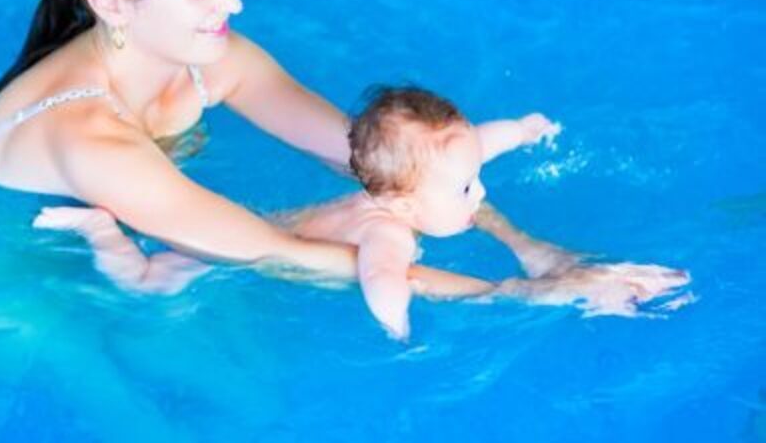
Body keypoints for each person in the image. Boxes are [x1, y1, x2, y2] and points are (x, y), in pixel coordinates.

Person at [0, 0, 684, 321]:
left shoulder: (210, 57)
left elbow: (386, 161)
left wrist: (532, 247)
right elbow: (272, 251)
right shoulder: (92, 139)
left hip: (149, 230)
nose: (234, 3)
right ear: (112, 4)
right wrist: (516, 295)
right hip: (14, 276)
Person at [34, 87, 691, 339]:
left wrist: (520, 130)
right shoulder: (388, 231)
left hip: (283, 220)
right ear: (404, 203)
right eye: (464, 190)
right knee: (150, 282)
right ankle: (101, 228)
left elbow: (475, 147)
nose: (478, 195)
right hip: (222, 249)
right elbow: (382, 279)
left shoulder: (415, 185)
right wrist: (395, 322)